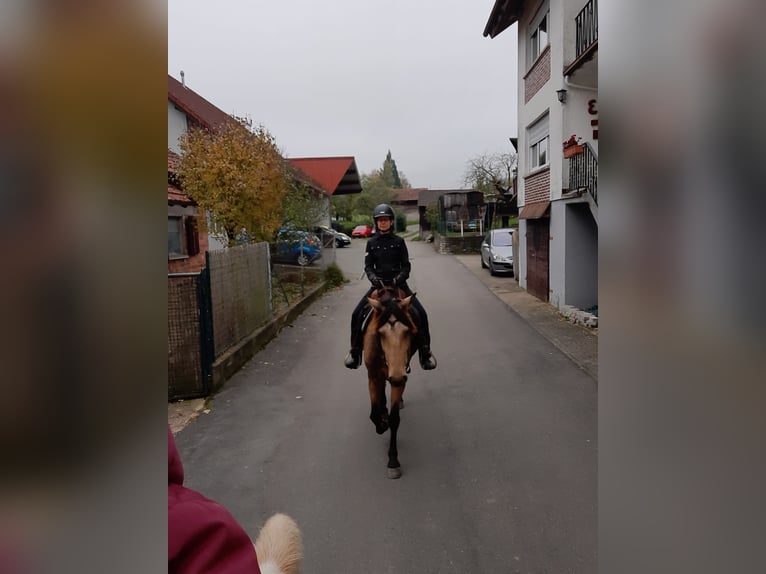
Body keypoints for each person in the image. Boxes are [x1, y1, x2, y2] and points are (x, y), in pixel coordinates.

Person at [343, 203, 437, 371]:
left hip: (399, 285)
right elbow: (368, 266)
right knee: (356, 313)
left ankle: (425, 353)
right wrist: (373, 278)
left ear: (391, 222)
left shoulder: (399, 242)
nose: (383, 223)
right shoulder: (371, 243)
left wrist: (398, 279)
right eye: (380, 220)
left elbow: (406, 266)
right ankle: (355, 352)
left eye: (386, 220)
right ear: (376, 222)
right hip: (378, 287)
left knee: (421, 313)